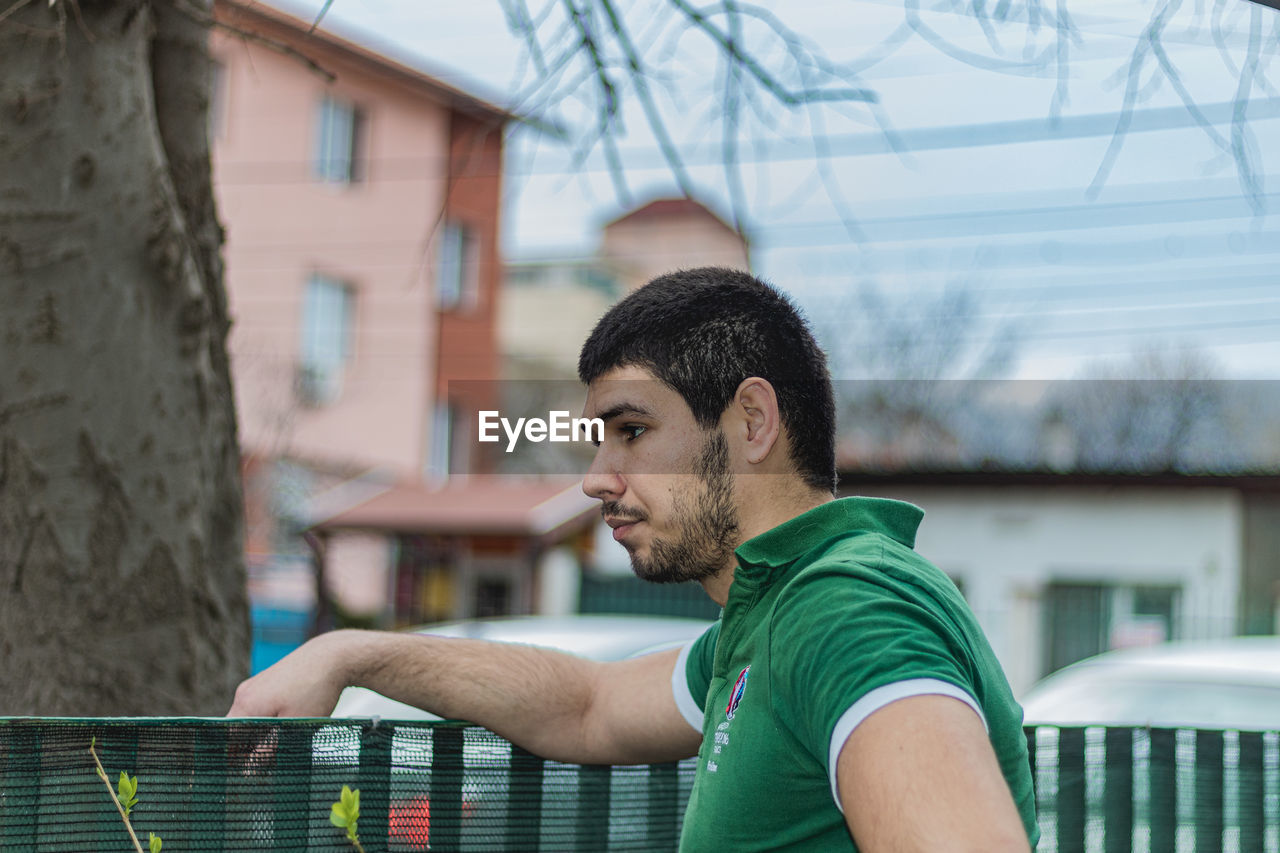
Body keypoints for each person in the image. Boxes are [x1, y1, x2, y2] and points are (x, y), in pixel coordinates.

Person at [229, 267, 1037, 851]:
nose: (595, 478)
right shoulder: (770, 617)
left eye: (634, 430)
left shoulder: (847, 609)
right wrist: (350, 653)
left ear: (752, 421)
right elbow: (587, 703)